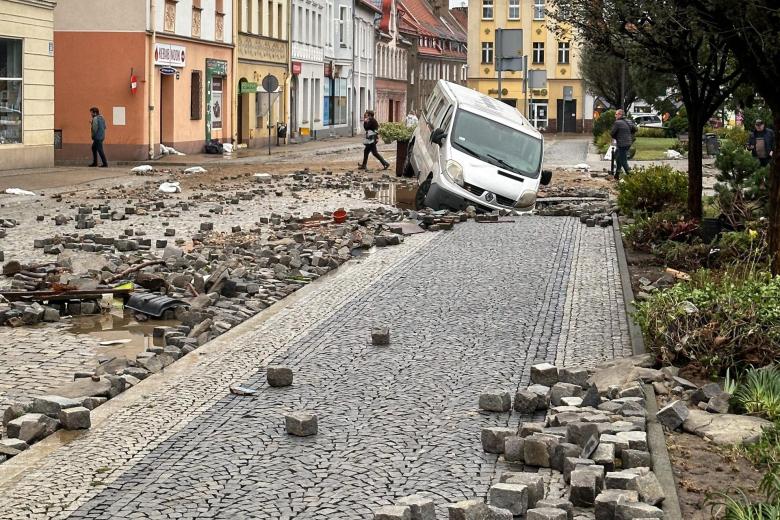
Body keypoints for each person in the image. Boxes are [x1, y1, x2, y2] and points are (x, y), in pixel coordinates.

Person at [610, 109, 635, 179]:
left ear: (620, 115)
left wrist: (617, 137)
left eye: (616, 114)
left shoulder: (617, 123)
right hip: (628, 142)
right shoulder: (629, 121)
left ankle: (631, 176)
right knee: (618, 157)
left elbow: (612, 133)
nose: (615, 116)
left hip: (622, 144)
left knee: (623, 160)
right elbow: (635, 129)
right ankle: (617, 175)